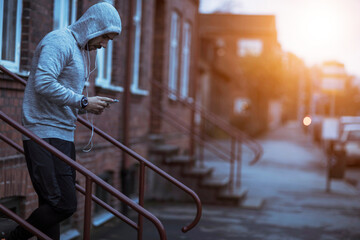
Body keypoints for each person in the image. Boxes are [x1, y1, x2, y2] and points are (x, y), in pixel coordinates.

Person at [3, 2, 122, 240]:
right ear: (94, 27)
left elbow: (60, 96)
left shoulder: (77, 50)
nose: (105, 45)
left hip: (62, 134)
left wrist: (87, 106)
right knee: (63, 204)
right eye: (105, 37)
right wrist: (84, 102)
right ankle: (11, 238)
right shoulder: (59, 41)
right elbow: (43, 83)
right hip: (44, 133)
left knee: (52, 203)